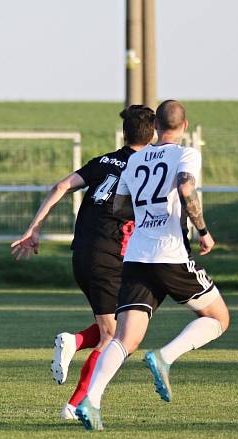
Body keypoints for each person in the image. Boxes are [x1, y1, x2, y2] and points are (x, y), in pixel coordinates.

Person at [75, 100, 231, 431]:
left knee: (124, 339)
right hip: (171, 253)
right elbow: (186, 187)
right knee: (219, 317)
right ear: (184, 125)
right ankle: (165, 357)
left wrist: (147, 211)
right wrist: (203, 231)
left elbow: (120, 204)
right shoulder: (186, 154)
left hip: (136, 256)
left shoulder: (135, 160)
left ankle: (92, 400)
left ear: (156, 127)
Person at [11, 105, 156, 420]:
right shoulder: (147, 168)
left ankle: (74, 341)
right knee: (114, 337)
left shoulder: (103, 161)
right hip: (110, 256)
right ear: (153, 134)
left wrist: (33, 230)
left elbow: (60, 186)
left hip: (82, 254)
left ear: (124, 133)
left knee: (118, 328)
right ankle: (75, 405)